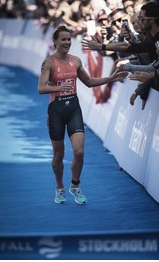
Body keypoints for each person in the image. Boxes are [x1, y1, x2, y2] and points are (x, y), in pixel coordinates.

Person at [38, 24, 128, 204]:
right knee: (59, 154)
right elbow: (41, 88)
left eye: (69, 39)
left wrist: (109, 79)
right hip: (56, 110)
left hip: (73, 109)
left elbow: (88, 82)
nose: (66, 42)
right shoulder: (48, 62)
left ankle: (75, 185)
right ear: (55, 41)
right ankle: (59, 187)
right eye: (63, 39)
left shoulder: (76, 61)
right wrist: (57, 87)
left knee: (79, 152)